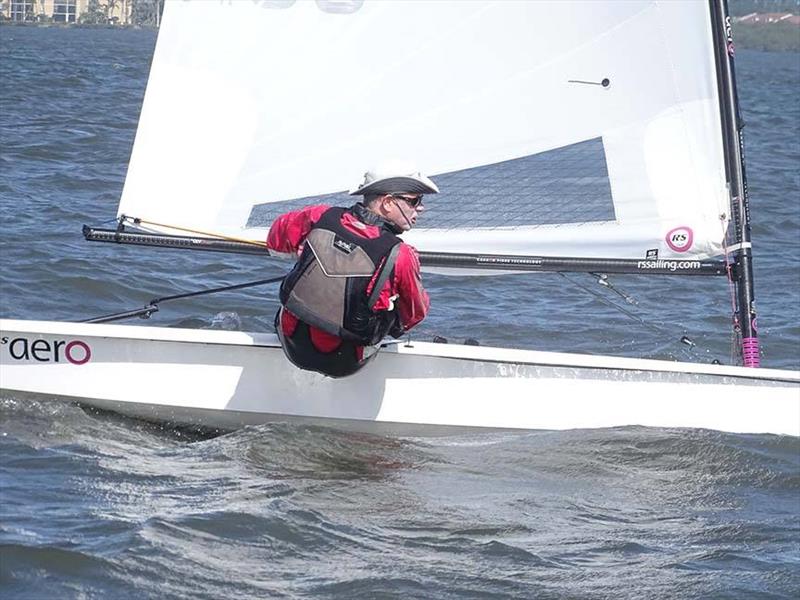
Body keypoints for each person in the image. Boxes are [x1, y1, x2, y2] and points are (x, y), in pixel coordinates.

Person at [266, 161, 438, 378]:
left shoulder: (319, 215)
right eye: (414, 201)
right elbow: (414, 315)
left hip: (292, 344)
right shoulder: (401, 254)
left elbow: (275, 240)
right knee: (391, 311)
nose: (420, 208)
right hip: (344, 363)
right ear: (387, 203)